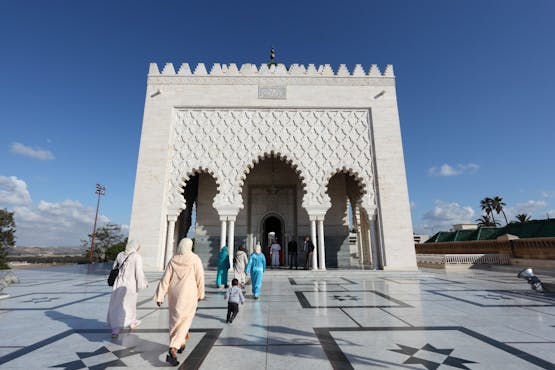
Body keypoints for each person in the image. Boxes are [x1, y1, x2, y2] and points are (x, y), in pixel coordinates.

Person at [155, 238, 205, 366]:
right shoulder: (195, 259)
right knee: (185, 321)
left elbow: (165, 279)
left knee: (175, 319)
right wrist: (201, 293)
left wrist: (160, 296)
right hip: (189, 294)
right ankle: (174, 347)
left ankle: (181, 342)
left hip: (175, 294)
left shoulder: (174, 259)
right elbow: (200, 278)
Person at [107, 239, 148, 338]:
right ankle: (130, 322)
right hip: (130, 285)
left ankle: (116, 328)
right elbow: (138, 272)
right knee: (129, 305)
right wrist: (143, 283)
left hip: (118, 283)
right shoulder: (136, 256)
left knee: (117, 305)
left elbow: (114, 268)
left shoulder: (120, 254)